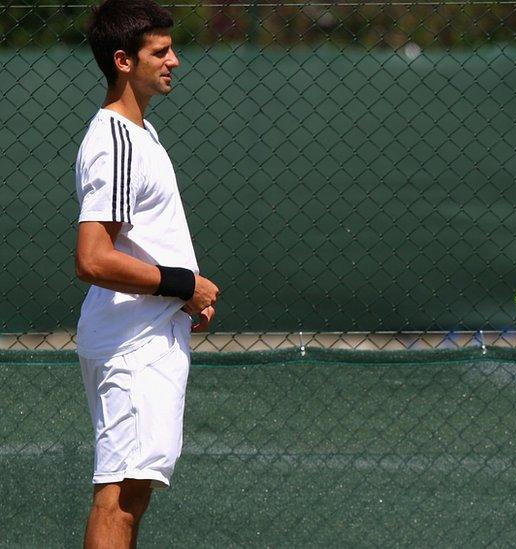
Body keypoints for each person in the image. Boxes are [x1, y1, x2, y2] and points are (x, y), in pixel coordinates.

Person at [74, 1, 220, 546]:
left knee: (131, 495)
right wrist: (183, 284)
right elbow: (92, 258)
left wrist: (180, 298)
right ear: (123, 60)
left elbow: (138, 246)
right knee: (118, 499)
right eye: (160, 52)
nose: (174, 61)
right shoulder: (114, 141)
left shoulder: (142, 136)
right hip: (130, 344)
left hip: (147, 335)